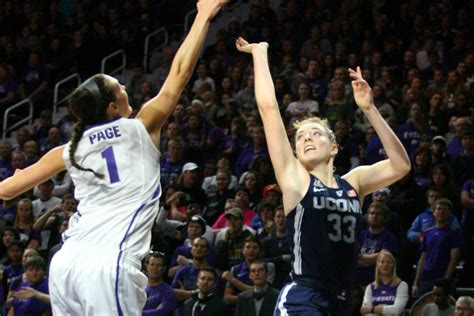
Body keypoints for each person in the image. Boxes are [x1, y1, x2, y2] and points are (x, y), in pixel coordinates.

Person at [0, 1, 227, 314]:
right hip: (108, 265)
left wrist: (12, 180)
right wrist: (203, 15)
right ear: (112, 107)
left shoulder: (70, 148)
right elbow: (180, 72)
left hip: (66, 265)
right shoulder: (141, 127)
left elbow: (7, 191)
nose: (124, 86)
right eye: (118, 86)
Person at [235, 38, 410, 315]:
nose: (306, 138)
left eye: (316, 133)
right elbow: (268, 108)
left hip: (342, 298)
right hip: (304, 294)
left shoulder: (355, 182)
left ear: (334, 148)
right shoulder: (295, 179)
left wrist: (369, 109)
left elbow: (401, 165)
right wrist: (259, 53)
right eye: (301, 137)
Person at [412, 198, 462, 298]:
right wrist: (415, 283)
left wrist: (445, 281)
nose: (441, 212)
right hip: (426, 278)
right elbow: (422, 258)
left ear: (449, 213)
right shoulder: (427, 233)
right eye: (438, 209)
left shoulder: (454, 233)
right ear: (434, 212)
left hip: (442, 276)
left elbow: (454, 259)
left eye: (444, 209)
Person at [360, 250, 409, 316]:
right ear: (377, 264)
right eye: (382, 262)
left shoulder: (402, 285)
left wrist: (373, 309)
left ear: (393, 265)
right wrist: (385, 310)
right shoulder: (370, 287)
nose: (385, 265)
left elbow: (396, 310)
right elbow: (365, 311)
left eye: (389, 262)